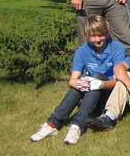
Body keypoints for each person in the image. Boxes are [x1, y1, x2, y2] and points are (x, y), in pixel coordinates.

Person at [29, 16, 125, 145]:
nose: (97, 39)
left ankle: (77, 125)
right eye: (93, 36)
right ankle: (52, 123)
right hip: (91, 94)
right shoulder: (82, 51)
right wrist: (79, 83)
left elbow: (118, 81)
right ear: (86, 35)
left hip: (108, 94)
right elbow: (72, 80)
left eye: (101, 35)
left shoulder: (117, 48)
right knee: (81, 81)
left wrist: (99, 84)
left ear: (107, 32)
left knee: (95, 77)